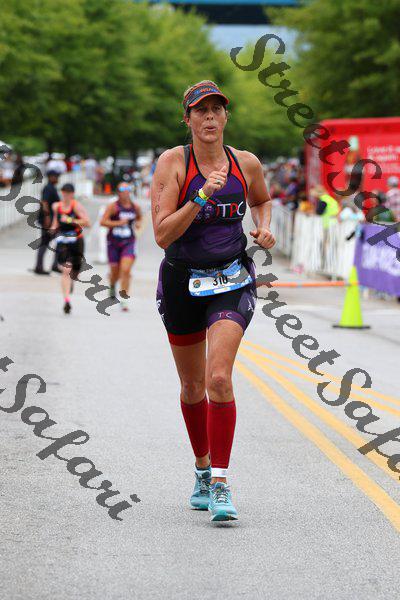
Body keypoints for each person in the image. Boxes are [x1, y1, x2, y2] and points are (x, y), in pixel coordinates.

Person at [151, 80, 275, 522]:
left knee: (218, 378)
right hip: (181, 281)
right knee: (192, 387)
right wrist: (201, 195)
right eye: (200, 110)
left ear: (226, 117)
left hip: (231, 279)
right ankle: (202, 469)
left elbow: (261, 200)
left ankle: (221, 481)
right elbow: (162, 234)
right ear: (187, 119)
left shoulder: (246, 163)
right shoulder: (173, 163)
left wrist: (263, 226)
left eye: (216, 109)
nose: (209, 117)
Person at [100, 182, 143, 311]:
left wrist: (138, 224)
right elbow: (103, 222)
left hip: (128, 242)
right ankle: (113, 285)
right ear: (118, 192)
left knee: (125, 270)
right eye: (122, 190)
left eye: (127, 189)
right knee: (115, 272)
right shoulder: (113, 207)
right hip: (113, 243)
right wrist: (119, 223)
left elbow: (140, 218)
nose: (125, 192)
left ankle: (124, 299)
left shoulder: (135, 207)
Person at [50, 183, 91, 313]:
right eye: (64, 192)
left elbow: (87, 222)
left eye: (68, 193)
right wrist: (52, 230)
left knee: (75, 271)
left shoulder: (76, 206)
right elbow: (55, 222)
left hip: (77, 241)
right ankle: (67, 300)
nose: (66, 195)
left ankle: (71, 282)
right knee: (66, 270)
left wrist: (69, 220)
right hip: (63, 241)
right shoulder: (56, 206)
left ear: (72, 194)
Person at [34, 170, 61, 275]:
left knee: (56, 241)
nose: (57, 178)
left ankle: (50, 265)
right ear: (50, 177)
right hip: (48, 221)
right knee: (47, 242)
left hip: (51, 220)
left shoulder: (51, 187)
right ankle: (40, 266)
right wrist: (47, 217)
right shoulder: (48, 188)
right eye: (56, 176)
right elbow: (44, 202)